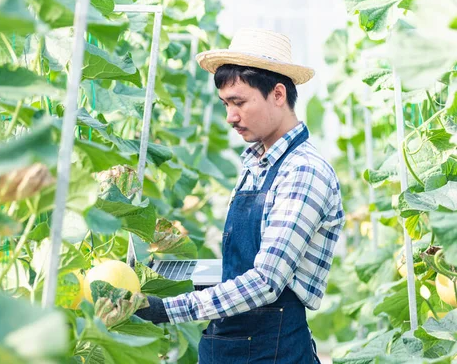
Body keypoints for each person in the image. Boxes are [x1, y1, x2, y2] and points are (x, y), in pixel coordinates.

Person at [135, 28, 345, 364]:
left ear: (278, 94)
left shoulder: (303, 171)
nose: (230, 116)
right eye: (225, 104)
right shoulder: (256, 164)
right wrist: (161, 273)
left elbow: (265, 282)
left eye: (239, 102)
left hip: (271, 351)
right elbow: (241, 269)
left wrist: (165, 309)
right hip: (233, 345)